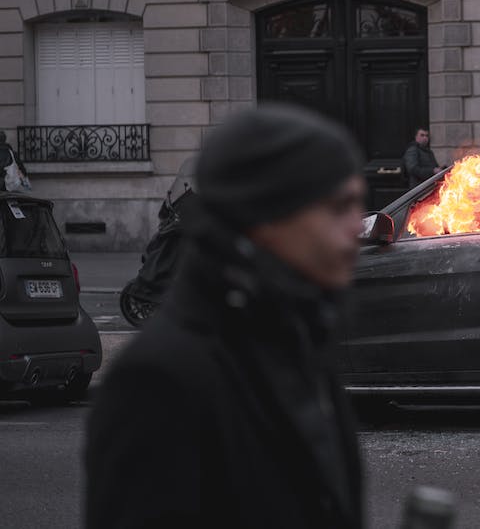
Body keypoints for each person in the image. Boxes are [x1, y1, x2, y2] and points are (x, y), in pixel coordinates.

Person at [85, 105, 366, 529]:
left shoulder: (298, 335)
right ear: (266, 219)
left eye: (358, 205)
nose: (355, 228)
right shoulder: (158, 379)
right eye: (337, 208)